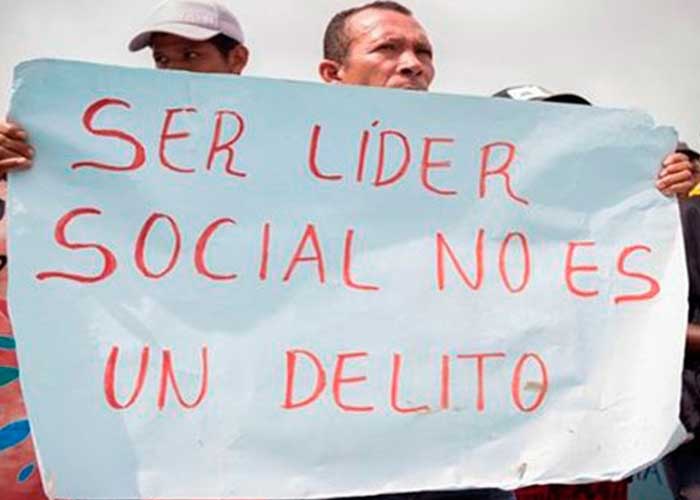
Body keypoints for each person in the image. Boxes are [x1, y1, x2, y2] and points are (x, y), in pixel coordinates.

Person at [0, 2, 249, 499]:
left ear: (236, 60)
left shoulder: (287, 154)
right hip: (110, 394)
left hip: (225, 401)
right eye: (163, 59)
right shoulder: (91, 143)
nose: (174, 71)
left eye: (191, 56)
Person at [493, 84, 700, 500]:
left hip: (618, 435)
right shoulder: (468, 238)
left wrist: (653, 328)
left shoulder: (654, 212)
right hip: (513, 441)